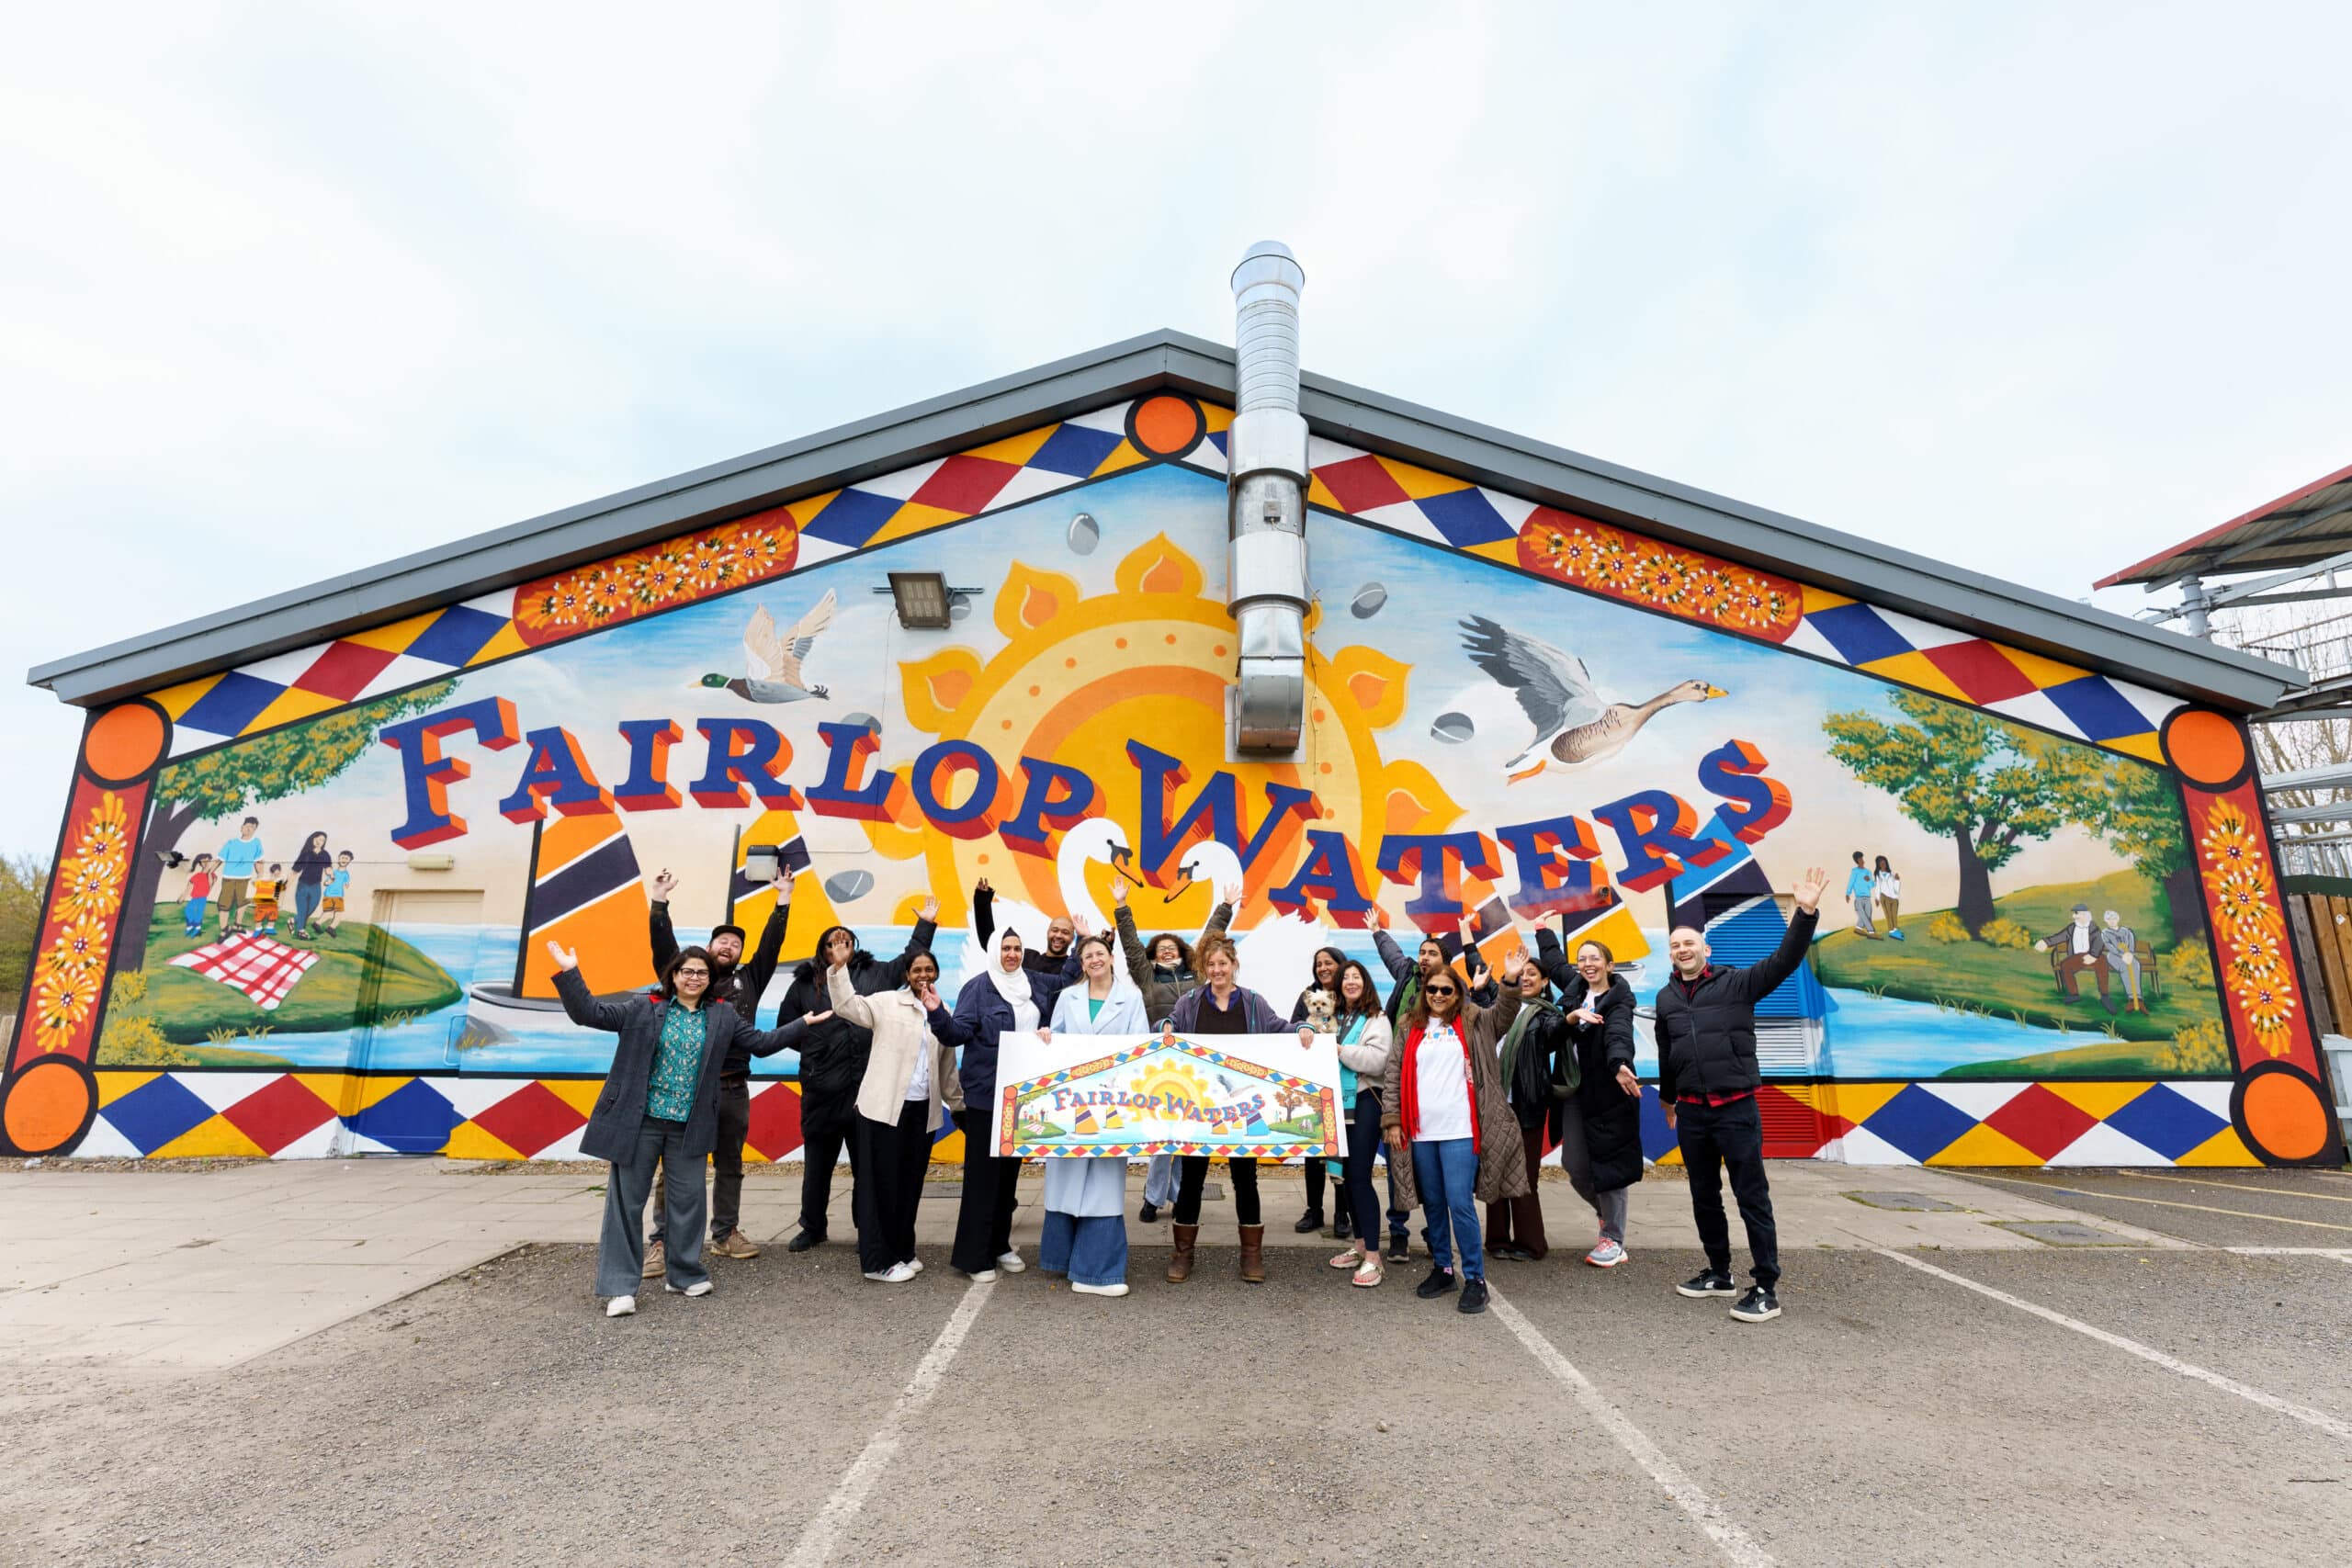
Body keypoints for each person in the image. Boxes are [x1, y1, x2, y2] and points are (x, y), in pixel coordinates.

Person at [548, 939, 808, 1317]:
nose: (695, 977)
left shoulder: (721, 1015)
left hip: (690, 1125)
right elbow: (588, 1013)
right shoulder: (644, 1007)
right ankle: (621, 1286)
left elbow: (762, 1044)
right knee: (626, 1203)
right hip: (640, 1123)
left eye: (702, 973)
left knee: (689, 1202)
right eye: (687, 971)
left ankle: (683, 1274)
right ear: (673, 974)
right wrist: (570, 972)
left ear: (710, 979)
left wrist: (804, 1024)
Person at [1656, 868, 1826, 1325]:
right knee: (1703, 1195)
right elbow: (1667, 1050)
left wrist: (1805, 912)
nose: (1682, 949)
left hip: (1736, 1110)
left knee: (1751, 1196)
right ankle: (1719, 1273)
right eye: (1675, 945)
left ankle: (1766, 1286)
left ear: (1705, 949)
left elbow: (1785, 961)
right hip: (1692, 1114)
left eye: (1688, 943)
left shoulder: (1737, 984)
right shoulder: (1666, 998)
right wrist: (1668, 1100)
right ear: (1671, 955)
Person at [640, 865, 798, 1275]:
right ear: (705, 952)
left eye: (735, 944)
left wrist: (783, 900)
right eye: (722, 941)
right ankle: (662, 1240)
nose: (729, 946)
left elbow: (771, 946)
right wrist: (659, 903)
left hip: (731, 1088)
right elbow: (663, 947)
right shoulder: (691, 980)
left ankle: (725, 1233)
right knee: (673, 1166)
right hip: (687, 1089)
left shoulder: (750, 980)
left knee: (730, 1163)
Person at [774, 903, 941, 1252]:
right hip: (822, 1091)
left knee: (868, 1167)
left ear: (855, 945)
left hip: (868, 1091)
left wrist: (924, 924)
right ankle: (813, 1225)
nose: (840, 944)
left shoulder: (877, 974)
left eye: (845, 939)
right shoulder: (805, 984)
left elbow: (910, 960)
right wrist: (815, 1058)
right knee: (818, 1165)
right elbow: (785, 1028)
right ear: (823, 950)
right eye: (833, 942)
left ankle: (866, 1226)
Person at [1380, 945, 1529, 1314]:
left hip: (1462, 1128)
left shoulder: (1475, 1020)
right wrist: (1394, 1118)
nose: (1439, 996)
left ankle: (1475, 1278)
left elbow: (1506, 1014)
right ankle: (1443, 1268)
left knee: (1459, 1202)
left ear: (1458, 993)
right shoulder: (1408, 1026)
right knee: (1432, 1202)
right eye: (1433, 990)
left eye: (1447, 990)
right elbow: (1394, 1075)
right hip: (1421, 1130)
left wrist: (1509, 980)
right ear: (1424, 991)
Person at [930, 926, 1069, 1281]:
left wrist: (1085, 937)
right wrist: (936, 1013)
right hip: (985, 1098)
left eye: (1017, 948)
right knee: (982, 1178)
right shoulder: (978, 988)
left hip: (1023, 1098)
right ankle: (974, 1256)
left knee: (1008, 1177)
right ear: (995, 951)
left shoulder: (1034, 983)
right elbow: (956, 1034)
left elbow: (1069, 977)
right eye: (1006, 948)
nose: (1012, 954)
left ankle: (999, 1244)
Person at [1163, 936, 1302, 1284]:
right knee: (1191, 1180)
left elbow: (1279, 1028)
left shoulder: (1254, 1002)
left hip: (1243, 1107)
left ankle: (1251, 1256)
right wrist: (1164, 1026)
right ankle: (1183, 1254)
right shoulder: (1190, 1002)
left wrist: (1303, 1029)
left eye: (1222, 964)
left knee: (1245, 1178)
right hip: (1200, 1108)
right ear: (1202, 968)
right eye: (1210, 965)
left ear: (1233, 964)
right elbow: (1170, 1027)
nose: (1217, 970)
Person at [826, 946, 958, 1283]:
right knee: (879, 1186)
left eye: (929, 969)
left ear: (937, 973)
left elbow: (946, 1068)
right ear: (906, 975)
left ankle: (902, 1250)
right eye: (917, 970)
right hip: (883, 1110)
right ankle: (877, 1261)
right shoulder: (886, 1003)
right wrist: (839, 969)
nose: (923, 975)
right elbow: (846, 1006)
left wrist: (959, 1105)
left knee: (909, 1185)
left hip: (921, 1112)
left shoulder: (943, 1010)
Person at [1111, 878, 1234, 1223]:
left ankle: (1176, 1197)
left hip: (1196, 1064)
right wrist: (1122, 907)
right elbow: (1132, 946)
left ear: (1184, 953)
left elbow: (1211, 938)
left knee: (1186, 1135)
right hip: (1160, 1063)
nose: (1167, 950)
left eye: (1173, 947)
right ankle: (1153, 1198)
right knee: (1163, 1135)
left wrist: (1225, 907)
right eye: (1161, 948)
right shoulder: (1147, 978)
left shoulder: (1197, 975)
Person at [1035, 933, 1148, 1296]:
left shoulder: (1130, 999)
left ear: (1112, 958)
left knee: (1103, 1185)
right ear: (1081, 964)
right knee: (1066, 1178)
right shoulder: (1067, 997)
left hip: (1110, 1105)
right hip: (1073, 1103)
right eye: (1087, 956)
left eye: (1100, 953)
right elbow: (1058, 1038)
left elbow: (1140, 1048)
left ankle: (1096, 1272)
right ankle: (1063, 1259)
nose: (1095, 960)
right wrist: (1045, 1036)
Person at [1534, 931, 1643, 1267]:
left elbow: (1619, 1034)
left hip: (1610, 1093)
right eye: (1582, 959)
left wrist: (1620, 1064)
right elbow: (1553, 961)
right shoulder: (1576, 989)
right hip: (1575, 1092)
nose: (1587, 964)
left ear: (1609, 965)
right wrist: (1542, 930)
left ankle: (1613, 1239)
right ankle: (1607, 1216)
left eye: (1595, 958)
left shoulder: (1619, 1000)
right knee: (1575, 1165)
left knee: (1609, 1166)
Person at [1486, 954, 1565, 1263]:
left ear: (1545, 982)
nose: (1527, 978)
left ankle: (1531, 1244)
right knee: (1494, 1174)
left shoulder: (1545, 1016)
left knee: (1523, 1177)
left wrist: (1570, 1019)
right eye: (1522, 974)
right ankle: (1497, 1241)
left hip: (1526, 1106)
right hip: (1494, 1107)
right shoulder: (1501, 1011)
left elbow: (1556, 1033)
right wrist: (1466, 936)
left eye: (1534, 974)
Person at [1320, 959, 1393, 1287]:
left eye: (1356, 977)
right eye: (1345, 978)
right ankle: (1361, 1245)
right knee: (1347, 1180)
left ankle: (1375, 1258)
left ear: (1365, 983)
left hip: (1364, 1103)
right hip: (1337, 1104)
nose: (1350, 982)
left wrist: (1338, 1050)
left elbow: (1378, 1060)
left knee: (1360, 1177)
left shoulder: (1376, 1018)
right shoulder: (1335, 1017)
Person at [1287, 945, 1350, 1236]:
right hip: (1313, 1085)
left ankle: (1342, 1213)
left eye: (1328, 963)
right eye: (1318, 964)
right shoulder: (1307, 997)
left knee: (1343, 1153)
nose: (1323, 968)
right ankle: (1314, 1210)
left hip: (1345, 1084)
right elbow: (1291, 1029)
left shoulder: (1352, 994)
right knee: (1313, 1151)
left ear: (1341, 965)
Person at [973, 877, 1080, 976]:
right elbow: (992, 945)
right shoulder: (1027, 958)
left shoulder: (1071, 966)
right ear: (1048, 933)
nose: (1058, 935)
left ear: (1072, 938)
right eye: (1055, 930)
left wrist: (1083, 936)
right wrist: (982, 902)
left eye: (1065, 932)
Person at [2033, 904, 2112, 1012]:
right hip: (2077, 957)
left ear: (2084, 914)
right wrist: (2046, 942)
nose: (2074, 917)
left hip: (2092, 955)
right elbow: (2059, 936)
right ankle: (2074, 994)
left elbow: (2099, 941)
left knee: (2103, 962)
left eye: (2076, 914)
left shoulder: (2094, 928)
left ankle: (2105, 996)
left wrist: (2093, 955)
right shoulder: (2072, 928)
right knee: (2065, 965)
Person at [216, 818, 263, 936]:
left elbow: (258, 861)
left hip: (245, 879)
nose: (249, 828)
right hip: (229, 878)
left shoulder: (256, 843)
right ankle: (224, 929)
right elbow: (219, 860)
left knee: (243, 903)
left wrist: (260, 876)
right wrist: (206, 873)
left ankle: (237, 925)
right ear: (241, 827)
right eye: (247, 825)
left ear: (255, 830)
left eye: (252, 827)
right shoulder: (231, 843)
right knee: (224, 905)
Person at [2098, 909, 2144, 1012]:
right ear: (2106, 921)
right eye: (2109, 919)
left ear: (2118, 919)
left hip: (2128, 954)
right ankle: (2132, 998)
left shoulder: (2127, 931)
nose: (2112, 921)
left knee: (2135, 964)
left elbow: (2131, 944)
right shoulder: (2105, 933)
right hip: (2114, 956)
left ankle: (2139, 999)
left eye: (2114, 918)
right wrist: (2122, 955)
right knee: (2125, 967)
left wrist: (2130, 954)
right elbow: (2110, 947)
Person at [289, 832, 332, 940]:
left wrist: (331, 874)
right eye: (318, 839)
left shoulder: (325, 854)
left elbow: (328, 868)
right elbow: (295, 871)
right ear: (313, 839)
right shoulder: (305, 853)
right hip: (303, 884)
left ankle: (293, 921)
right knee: (303, 908)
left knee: (312, 907)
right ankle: (301, 931)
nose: (319, 842)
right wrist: (286, 885)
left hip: (316, 885)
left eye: (322, 840)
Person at [316, 852, 355, 939]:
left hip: (338, 896)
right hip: (331, 896)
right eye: (342, 857)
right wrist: (329, 881)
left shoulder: (346, 874)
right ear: (339, 858)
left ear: (349, 861)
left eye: (346, 858)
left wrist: (347, 885)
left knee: (336, 914)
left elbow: (346, 885)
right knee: (331, 913)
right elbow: (326, 883)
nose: (344, 860)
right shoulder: (333, 872)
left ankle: (322, 925)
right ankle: (327, 927)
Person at [1844, 851, 1877, 939]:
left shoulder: (1868, 872)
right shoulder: (1854, 871)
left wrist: (1869, 880)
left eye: (1862, 858)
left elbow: (1872, 885)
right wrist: (1848, 893)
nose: (1861, 860)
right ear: (1856, 861)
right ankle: (1871, 932)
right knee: (1863, 915)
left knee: (1868, 915)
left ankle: (1858, 928)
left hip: (1867, 897)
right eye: (1859, 859)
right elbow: (1851, 882)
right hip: (1858, 898)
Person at [181, 855, 214, 939]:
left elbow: (211, 884)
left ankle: (197, 929)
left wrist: (209, 872)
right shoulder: (197, 875)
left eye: (208, 861)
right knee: (188, 910)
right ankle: (190, 926)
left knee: (199, 912)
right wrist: (182, 897)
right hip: (194, 897)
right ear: (200, 863)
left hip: (202, 897)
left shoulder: (211, 874)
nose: (206, 863)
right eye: (203, 861)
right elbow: (189, 887)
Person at [1872, 856, 1904, 942]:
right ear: (1878, 865)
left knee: (1894, 915)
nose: (1883, 864)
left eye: (1884, 863)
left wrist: (1897, 880)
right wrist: (1877, 898)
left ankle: (1895, 931)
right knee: (1888, 915)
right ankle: (1891, 932)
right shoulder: (1878, 875)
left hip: (1894, 898)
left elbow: (1896, 890)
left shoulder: (1891, 875)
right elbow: (1877, 886)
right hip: (1884, 897)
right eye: (1881, 863)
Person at [252, 864, 285, 937]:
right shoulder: (262, 881)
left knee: (273, 913)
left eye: (277, 874)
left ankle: (270, 928)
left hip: (271, 903)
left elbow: (278, 892)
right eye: (274, 874)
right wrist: (260, 878)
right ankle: (258, 928)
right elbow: (254, 883)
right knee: (259, 915)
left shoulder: (278, 882)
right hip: (260, 901)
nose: (275, 876)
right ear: (271, 872)